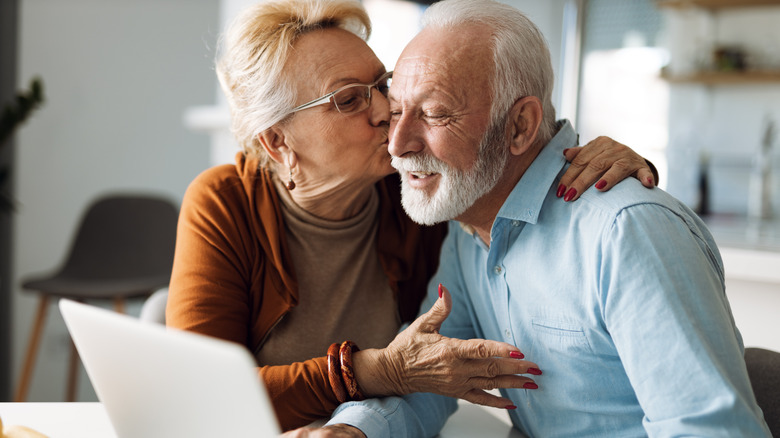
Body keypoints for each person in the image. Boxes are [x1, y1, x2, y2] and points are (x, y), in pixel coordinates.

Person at [166, 0, 659, 433]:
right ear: (278, 142)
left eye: (382, 85)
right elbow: (199, 400)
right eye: (350, 99)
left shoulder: (421, 192)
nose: (386, 112)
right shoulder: (225, 202)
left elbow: (508, 159)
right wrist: (375, 371)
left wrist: (592, 161)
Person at [317, 1, 772, 437]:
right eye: (396, 111)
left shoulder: (627, 231)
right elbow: (425, 372)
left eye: (434, 114)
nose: (397, 144)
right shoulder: (468, 229)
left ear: (519, 126)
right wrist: (351, 430)